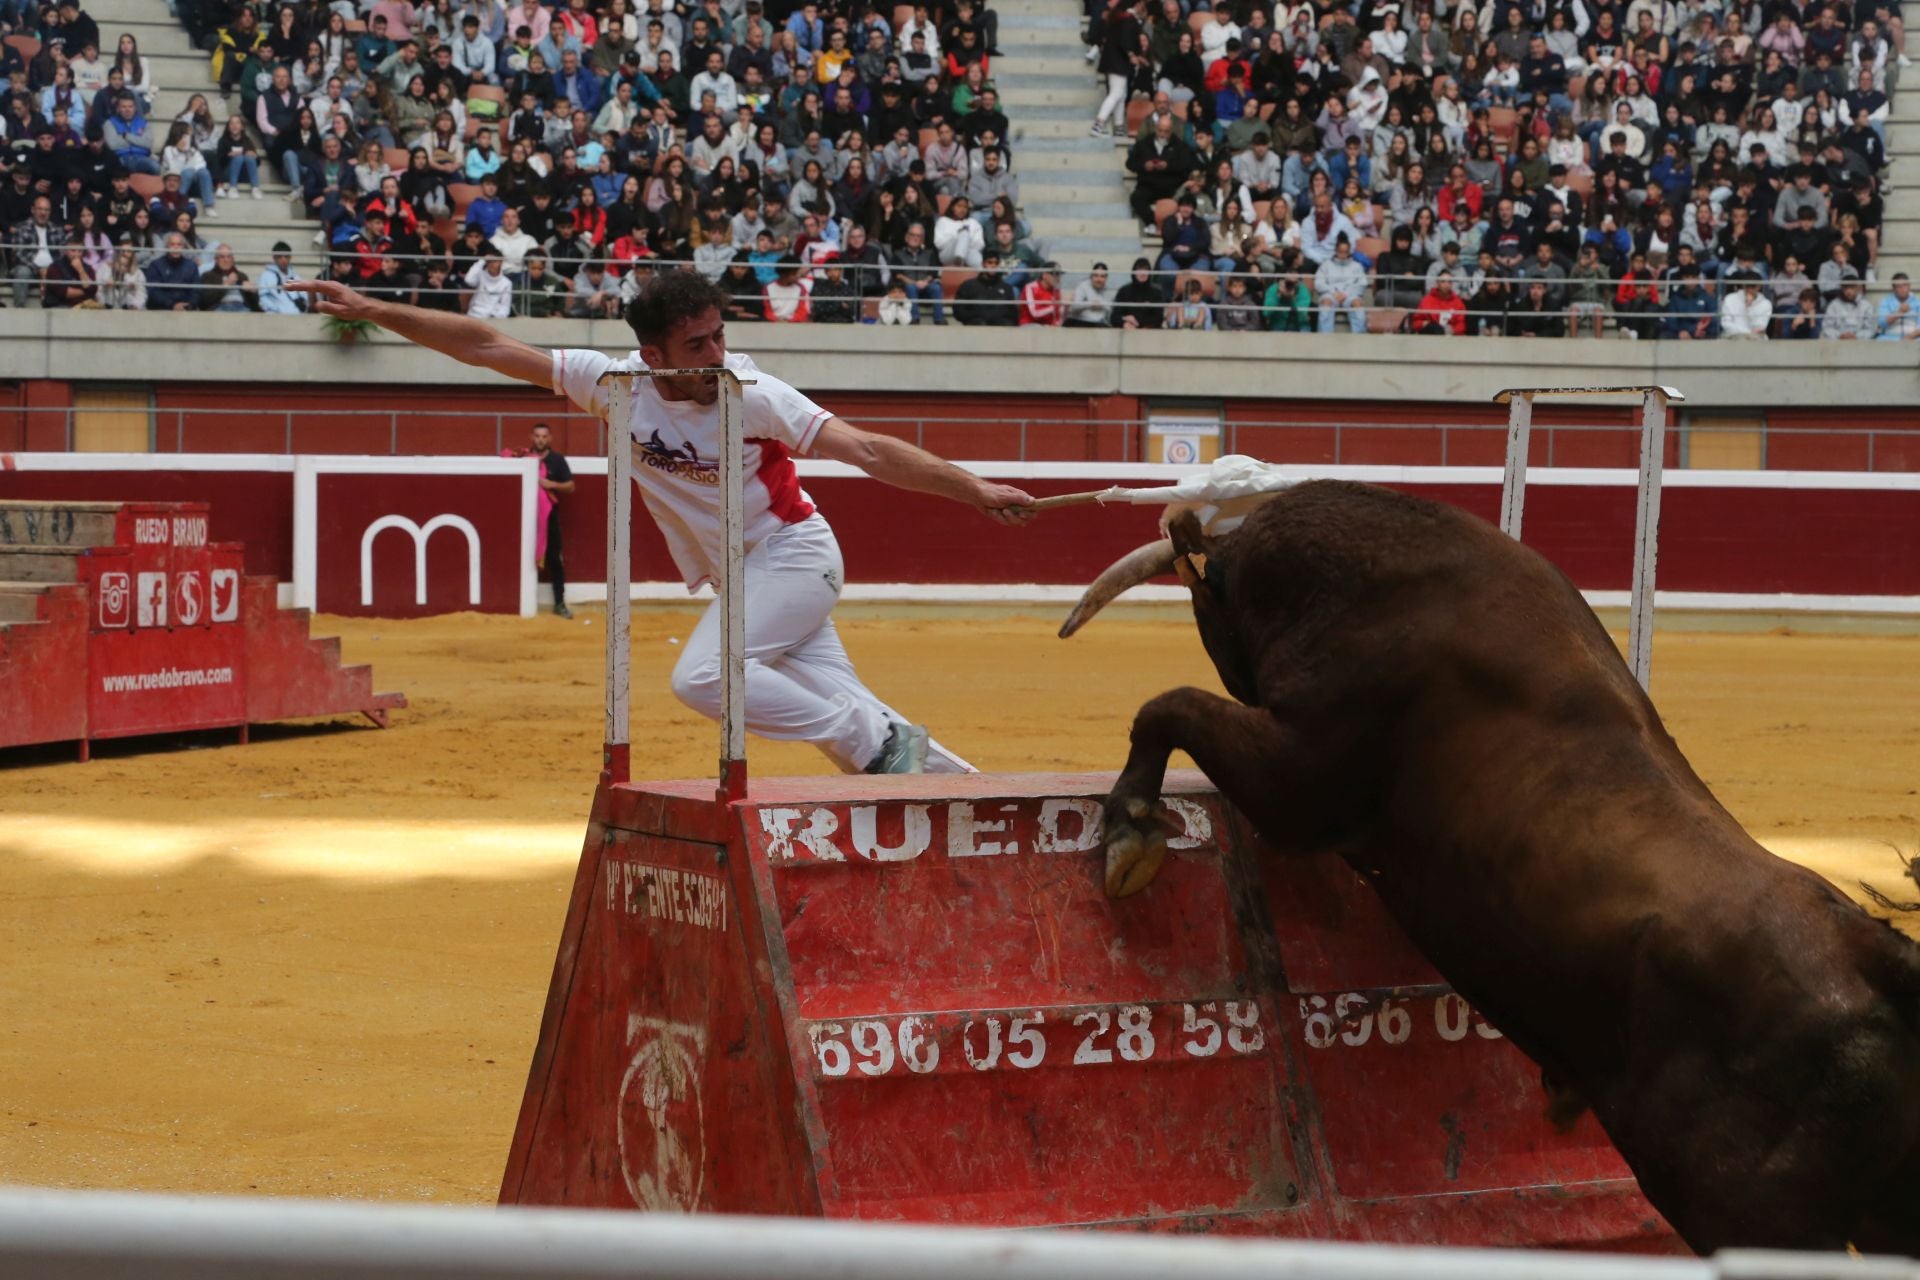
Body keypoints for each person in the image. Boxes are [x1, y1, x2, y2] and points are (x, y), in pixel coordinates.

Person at [286, 270, 1034, 774]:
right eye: (697, 346)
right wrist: (377, 310)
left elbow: (866, 449)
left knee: (708, 678)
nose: (717, 355)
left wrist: (971, 487)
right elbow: (487, 346)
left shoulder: (754, 392)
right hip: (747, 576)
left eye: (719, 337)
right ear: (653, 355)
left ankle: (873, 743)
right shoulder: (614, 385)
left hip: (795, 557)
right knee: (865, 730)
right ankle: (957, 788)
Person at [518, 423, 576, 617]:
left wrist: (550, 484)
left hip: (549, 518)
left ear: (550, 438)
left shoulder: (557, 460)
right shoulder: (524, 458)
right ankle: (520, 601)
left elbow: (570, 486)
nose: (540, 439)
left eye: (544, 436)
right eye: (537, 436)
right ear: (531, 437)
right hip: (524, 518)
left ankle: (559, 603)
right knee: (522, 556)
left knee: (554, 559)